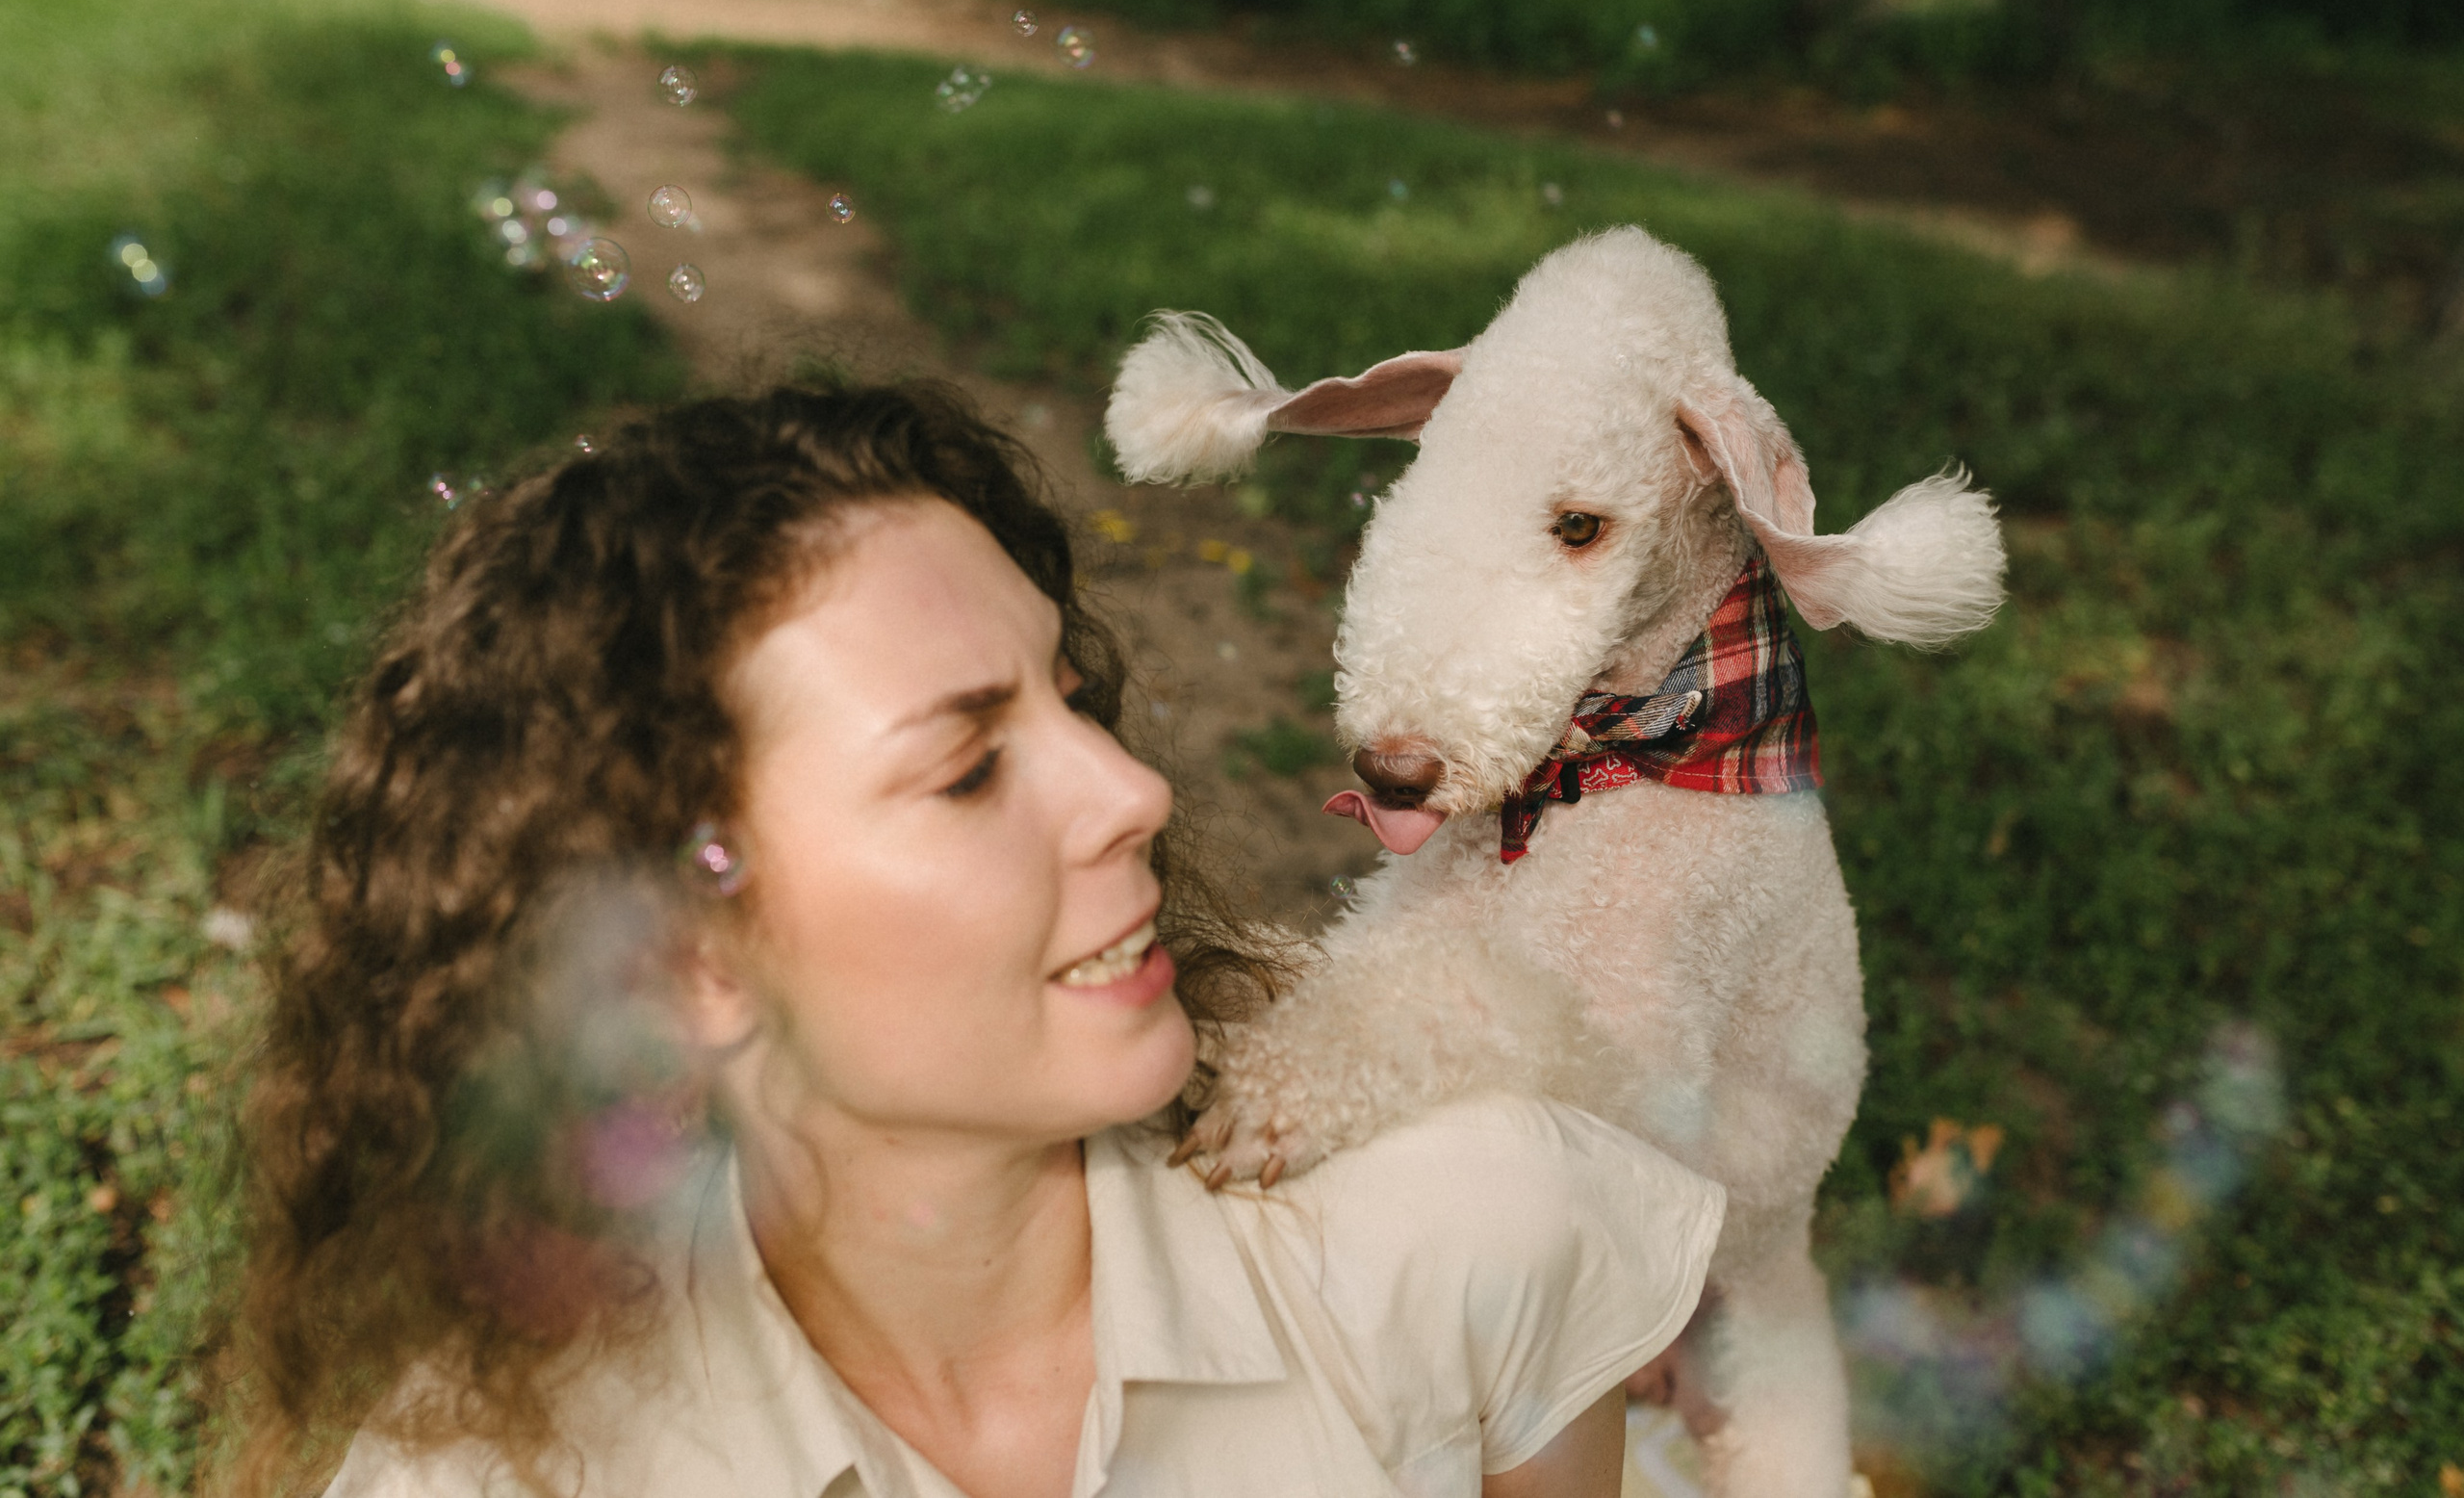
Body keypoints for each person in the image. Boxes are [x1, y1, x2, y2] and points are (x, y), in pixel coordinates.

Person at [226, 381, 1723, 1498]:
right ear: (682, 961)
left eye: (1068, 700)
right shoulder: (504, 1476)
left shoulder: (1470, 1227)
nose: (1133, 791)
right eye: (965, 770)